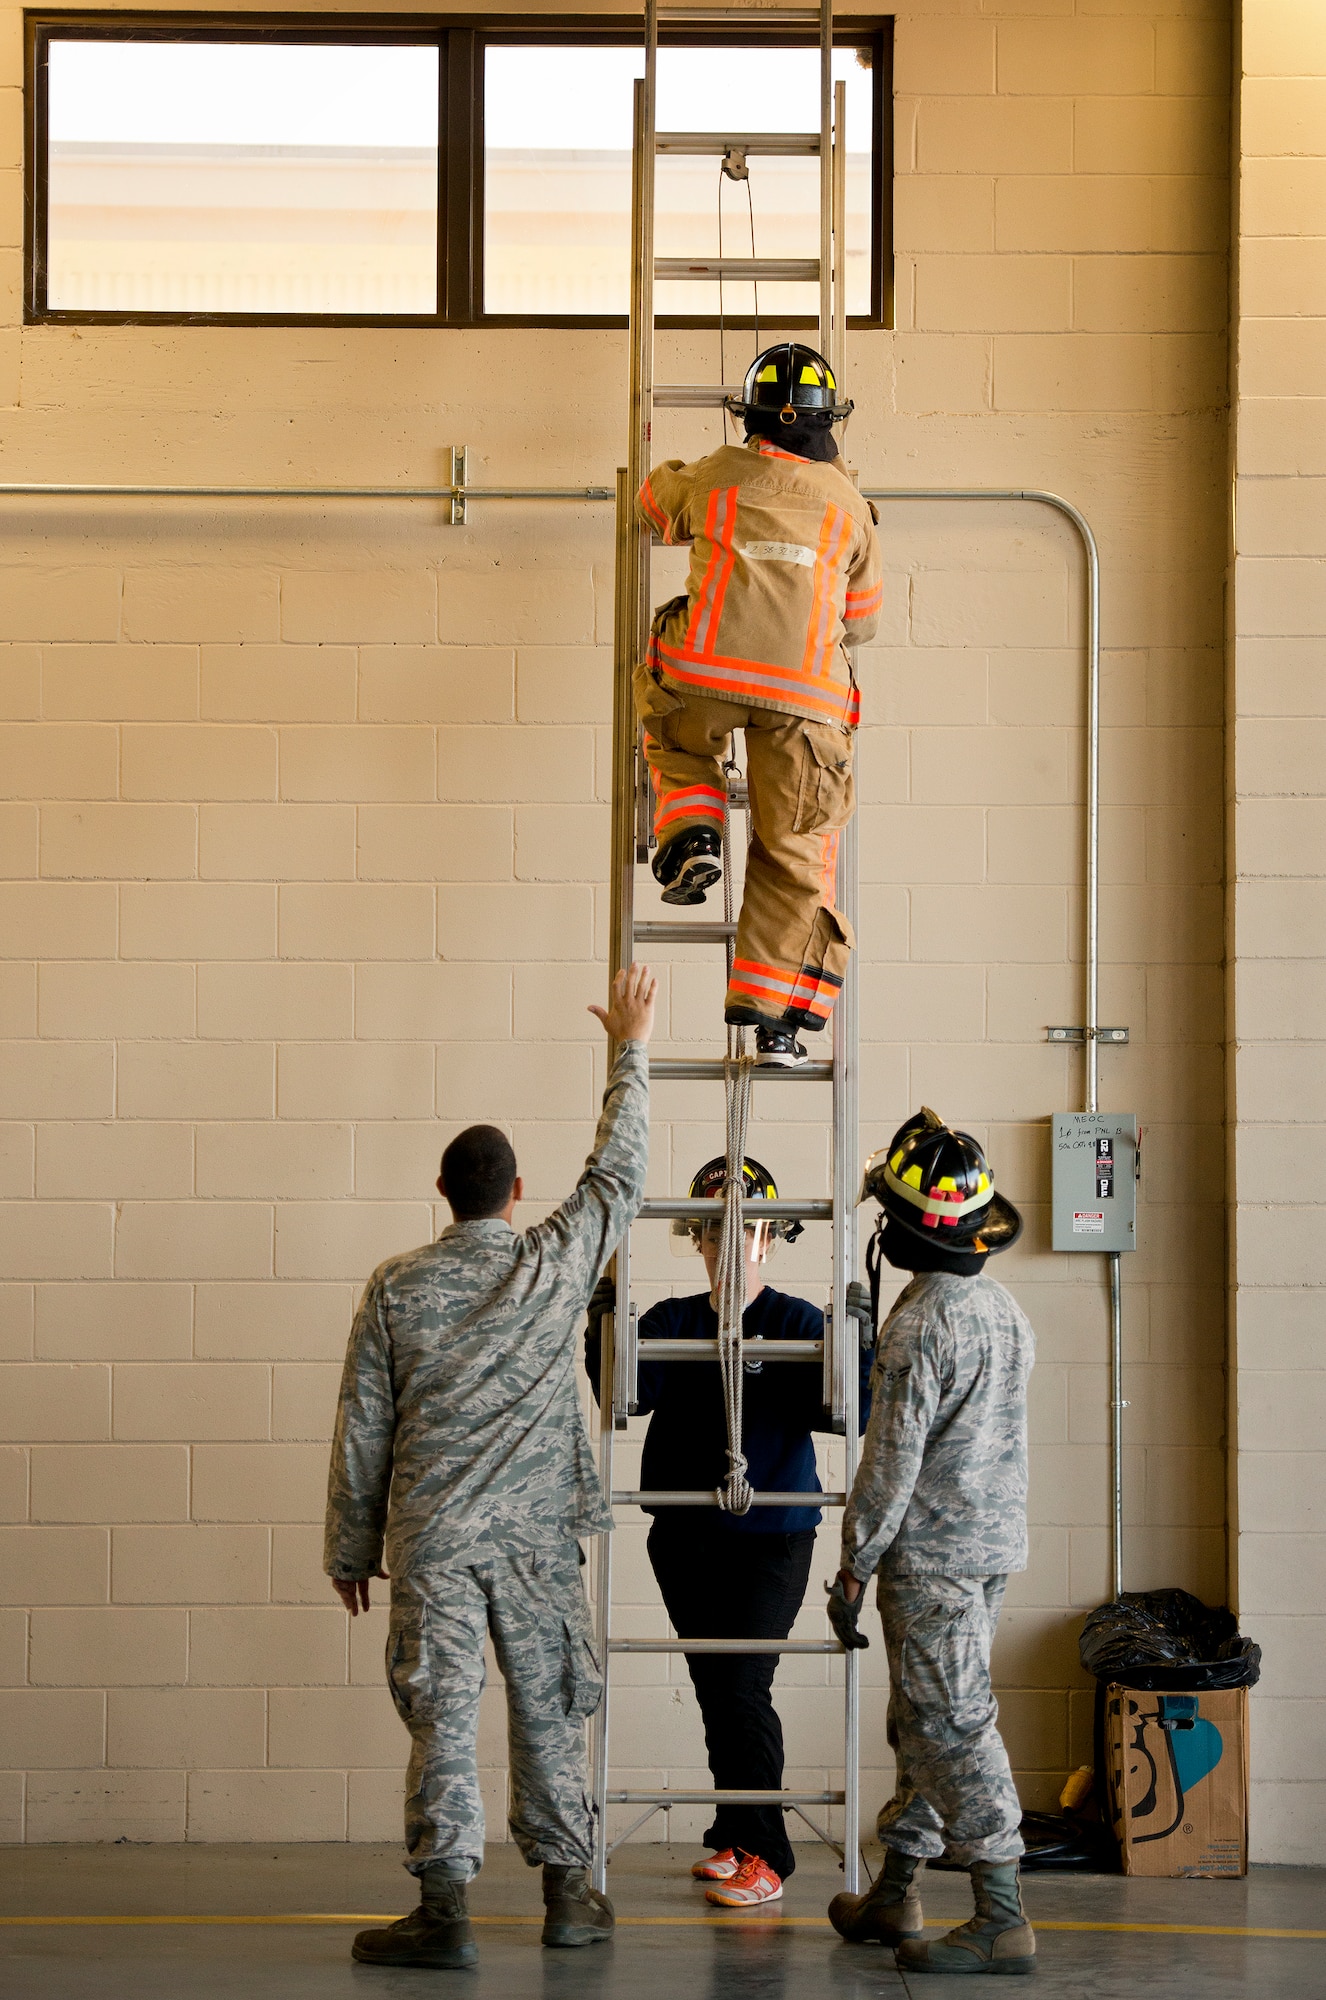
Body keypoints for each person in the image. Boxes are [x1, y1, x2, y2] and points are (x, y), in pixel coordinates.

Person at [323, 963, 657, 1971]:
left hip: (431, 1539)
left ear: (442, 1193)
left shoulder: (394, 1284)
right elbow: (619, 1173)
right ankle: (568, 1897)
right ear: (515, 1192)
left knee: (441, 1716)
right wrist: (629, 1048)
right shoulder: (553, 1261)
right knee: (551, 1703)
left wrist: (350, 1546)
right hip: (536, 1539)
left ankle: (444, 1910)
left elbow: (361, 1425)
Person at [585, 1154, 873, 1909]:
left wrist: (858, 1349)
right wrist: (603, 1324)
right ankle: (735, 1834)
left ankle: (768, 1854)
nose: (729, 1242)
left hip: (772, 1536)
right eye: (713, 1231)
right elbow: (625, 1398)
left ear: (772, 1238)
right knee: (718, 1685)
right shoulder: (675, 1321)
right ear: (698, 1239)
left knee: (743, 1685)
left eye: (746, 1229)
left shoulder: (794, 1323)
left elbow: (853, 1415)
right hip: (682, 1536)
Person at [822, 1108, 1036, 1977]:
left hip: (933, 1561)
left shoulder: (920, 1327)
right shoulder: (1002, 1309)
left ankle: (1002, 1914)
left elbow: (891, 1462)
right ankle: (896, 1889)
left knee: (950, 1726)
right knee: (922, 1720)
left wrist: (852, 1565)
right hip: (989, 1552)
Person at [634, 341, 884, 1070]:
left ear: (749, 418)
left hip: (703, 676)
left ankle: (695, 831)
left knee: (675, 736)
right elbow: (862, 621)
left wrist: (685, 477)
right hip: (806, 702)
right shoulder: (849, 506)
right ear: (826, 422)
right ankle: (771, 1016)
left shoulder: (715, 475)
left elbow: (653, 504)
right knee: (796, 853)